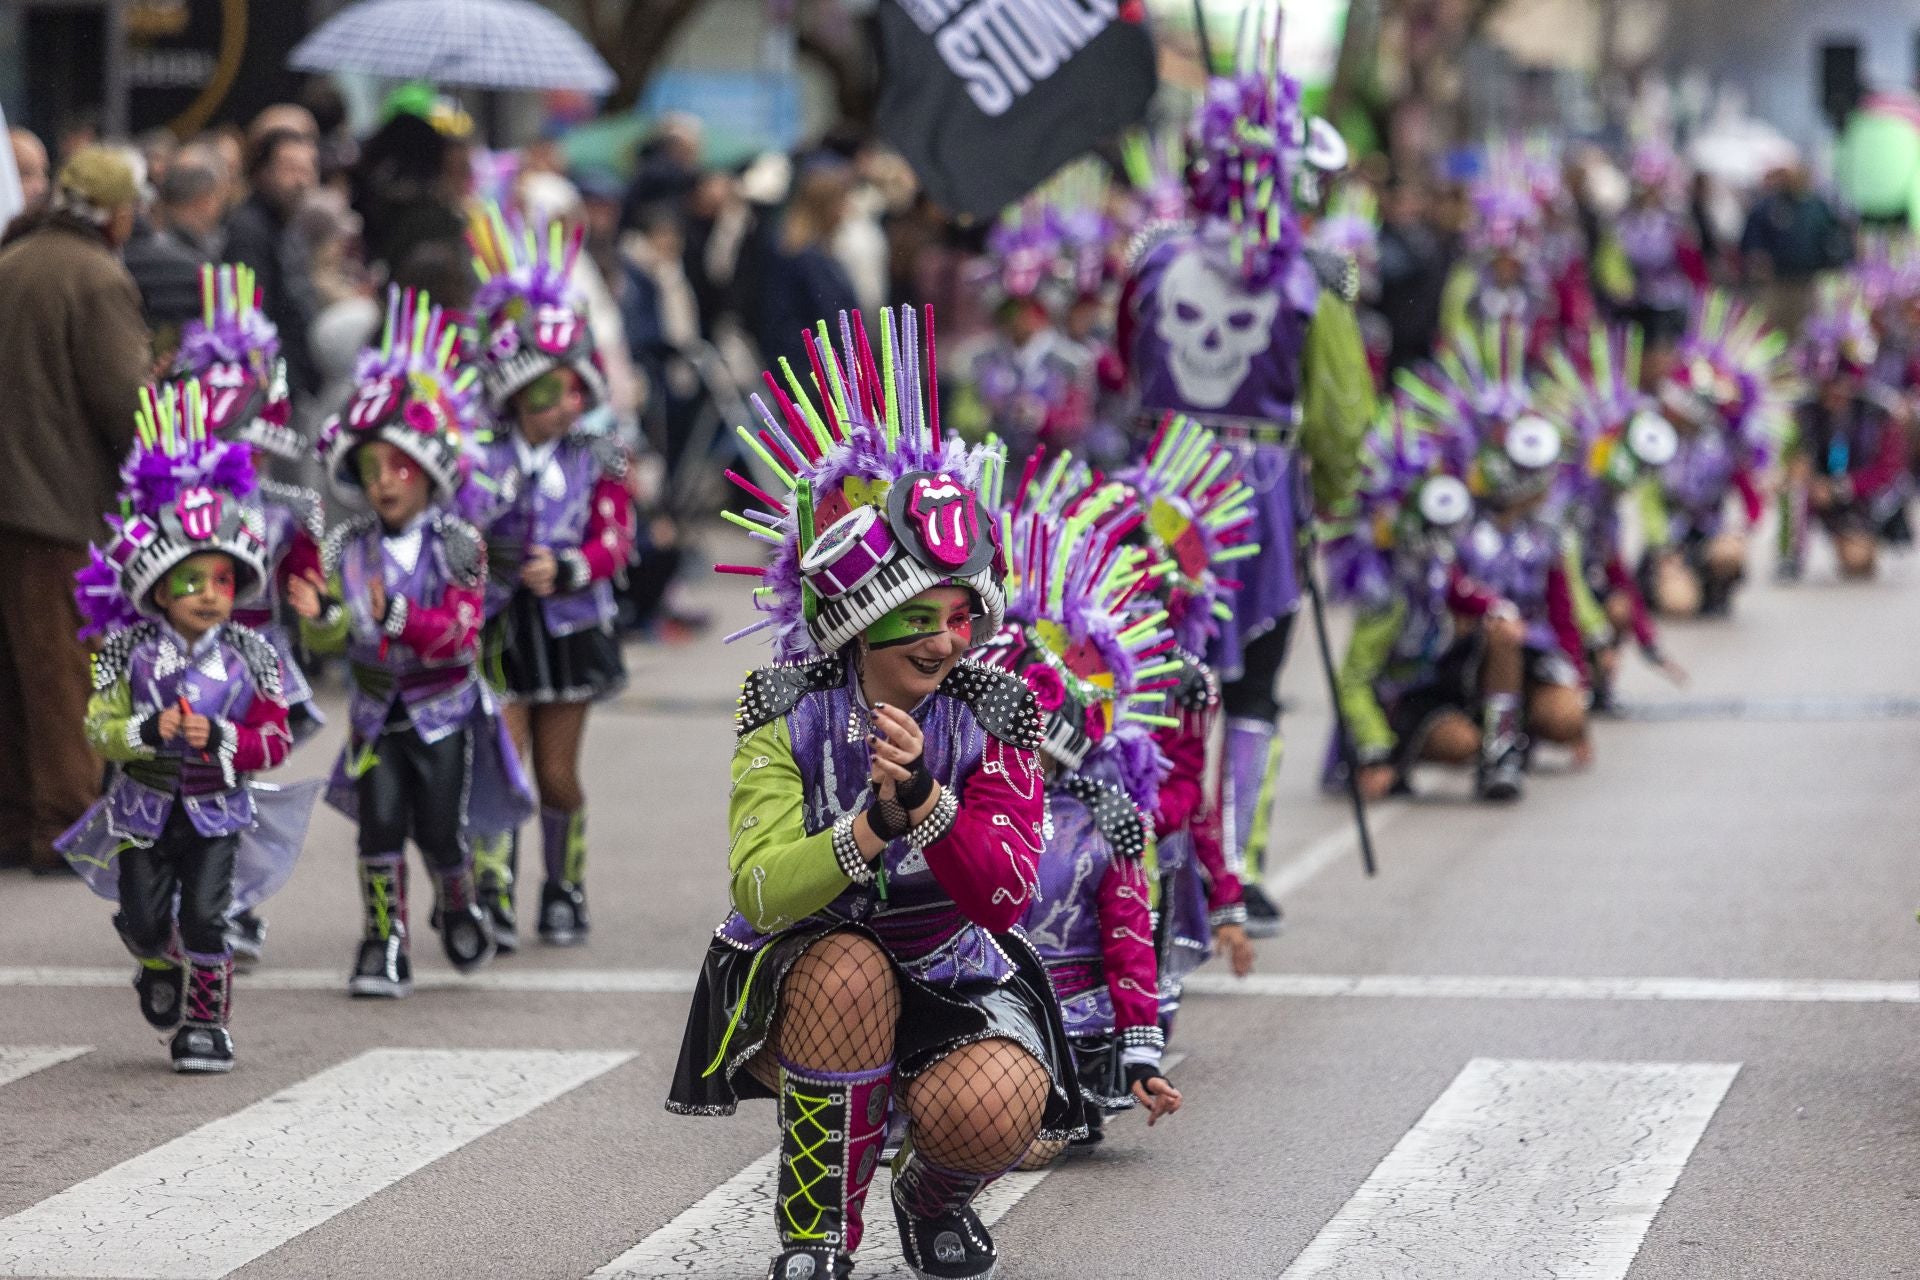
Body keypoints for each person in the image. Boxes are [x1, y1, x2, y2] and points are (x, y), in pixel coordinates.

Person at [667, 305, 1083, 1280]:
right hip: (816, 963)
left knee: (988, 1103)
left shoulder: (1001, 707)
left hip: (953, 959)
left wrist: (931, 805)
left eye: (957, 613)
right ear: (855, 621)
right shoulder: (787, 707)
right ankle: (816, 1234)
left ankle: (931, 1196)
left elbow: (1005, 896)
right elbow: (762, 888)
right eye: (913, 615)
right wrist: (866, 828)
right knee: (846, 963)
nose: (943, 640)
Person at [1120, 20, 1374, 936]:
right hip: (1263, 492)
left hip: (1163, 488)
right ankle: (1239, 873)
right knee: (1254, 688)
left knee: (1153, 676)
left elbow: (1122, 367)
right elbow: (1344, 415)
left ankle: (1144, 863)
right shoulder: (1315, 276)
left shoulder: (1153, 254)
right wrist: (1334, 499)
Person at [57, 380, 317, 1072]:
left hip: (216, 809)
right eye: (192, 580)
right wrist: (146, 729)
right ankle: (155, 962)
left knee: (206, 915)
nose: (209, 594)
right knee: (144, 919)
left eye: (224, 581)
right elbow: (97, 728)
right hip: (141, 810)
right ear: (159, 587)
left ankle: (207, 1023)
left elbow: (275, 738)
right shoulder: (125, 651)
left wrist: (223, 740)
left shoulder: (253, 655)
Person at [291, 287, 533, 997]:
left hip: (442, 711)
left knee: (438, 829)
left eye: (398, 469)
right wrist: (320, 617)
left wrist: (397, 617)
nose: (384, 483)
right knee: (379, 825)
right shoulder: (347, 546)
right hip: (372, 715)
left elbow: (460, 635)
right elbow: (334, 633)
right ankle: (382, 941)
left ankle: (456, 901)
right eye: (370, 471)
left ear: (429, 474)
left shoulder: (460, 544)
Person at [979, 469, 1184, 1163]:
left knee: (1015, 1135)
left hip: (1073, 1031)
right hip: (971, 1017)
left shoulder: (1107, 822)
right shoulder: (950, 801)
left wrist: (1141, 1053)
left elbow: (1129, 943)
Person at [465, 201, 637, 949]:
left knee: (559, 775)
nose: (564, 405)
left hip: (568, 628)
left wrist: (569, 566)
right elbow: (454, 531)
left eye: (573, 389)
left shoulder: (602, 456)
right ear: (513, 394)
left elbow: (616, 540)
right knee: (505, 765)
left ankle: (564, 888)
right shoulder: (478, 456)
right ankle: (491, 893)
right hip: (499, 626)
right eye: (547, 392)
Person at [169, 263, 328, 964]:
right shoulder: (175, 506)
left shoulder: (288, 507)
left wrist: (317, 606)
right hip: (182, 659)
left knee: (239, 780)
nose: (247, 449)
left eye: (254, 433)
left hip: (257, 665)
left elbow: (312, 587)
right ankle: (194, 902)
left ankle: (230, 901)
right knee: (188, 781)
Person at [0, 146, 151, 874]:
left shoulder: (13, 260)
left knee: (13, 672)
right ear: (118, 214)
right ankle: (66, 825)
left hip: (10, 497)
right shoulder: (96, 278)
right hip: (57, 508)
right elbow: (127, 405)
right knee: (63, 672)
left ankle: (15, 818)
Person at [225, 129, 321, 397]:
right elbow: (256, 319)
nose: (302, 180)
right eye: (291, 169)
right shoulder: (248, 230)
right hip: (270, 385)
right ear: (263, 172)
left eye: (308, 169)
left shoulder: (288, 225)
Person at [755, 159, 861, 378]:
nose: (847, 210)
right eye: (842, 202)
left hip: (816, 367)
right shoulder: (803, 257)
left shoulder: (809, 252)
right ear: (826, 206)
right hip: (815, 373)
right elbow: (829, 317)